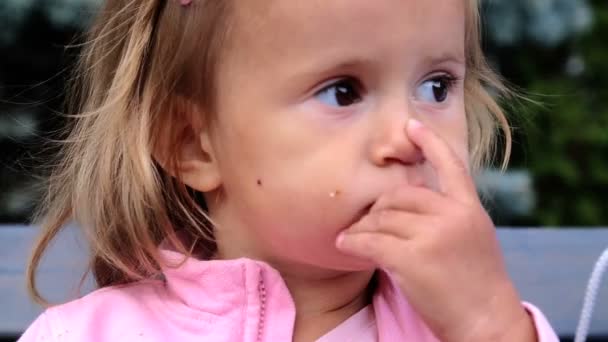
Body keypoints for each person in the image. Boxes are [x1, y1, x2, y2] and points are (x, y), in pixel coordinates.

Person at [19, 0, 560, 341]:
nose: (409, 136)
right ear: (193, 146)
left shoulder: (464, 327)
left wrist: (489, 325)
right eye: (343, 91)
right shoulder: (89, 334)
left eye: (436, 86)